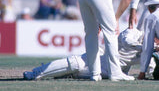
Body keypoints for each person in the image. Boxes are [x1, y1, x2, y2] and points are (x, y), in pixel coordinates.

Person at [78, 0, 147, 81]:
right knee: (111, 32)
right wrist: (116, 19)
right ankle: (115, 73)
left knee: (91, 34)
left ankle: (94, 74)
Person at [23, 28, 151, 80]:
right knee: (74, 63)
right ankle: (35, 73)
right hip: (97, 58)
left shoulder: (149, 50)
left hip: (106, 72)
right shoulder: (133, 32)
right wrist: (144, 47)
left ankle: (59, 74)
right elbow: (126, 41)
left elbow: (150, 66)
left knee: (72, 73)